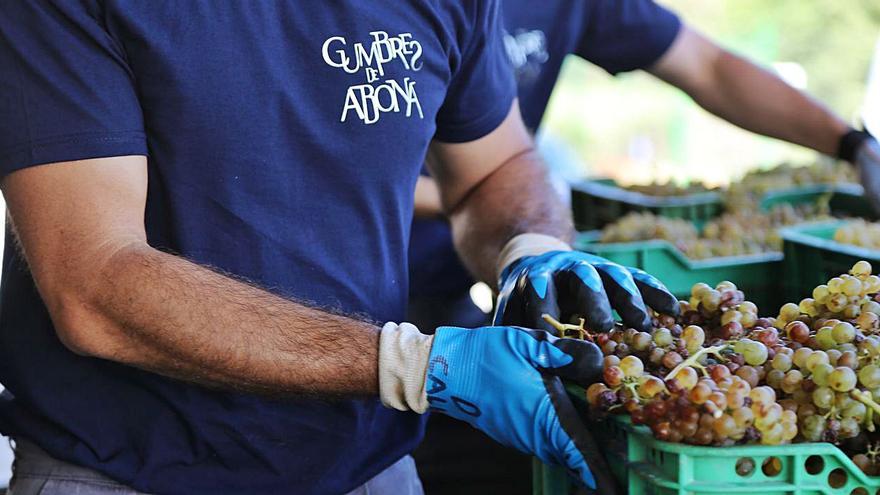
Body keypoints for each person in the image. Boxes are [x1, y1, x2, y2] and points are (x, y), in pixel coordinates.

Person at [0, 2, 679, 494]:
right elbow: (94, 285)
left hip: (369, 466)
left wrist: (528, 244)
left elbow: (496, 167)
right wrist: (414, 364)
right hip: (122, 470)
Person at [410, 0, 880, 493]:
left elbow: (709, 66)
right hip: (361, 291)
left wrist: (851, 144)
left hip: (472, 271)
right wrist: (511, 208)